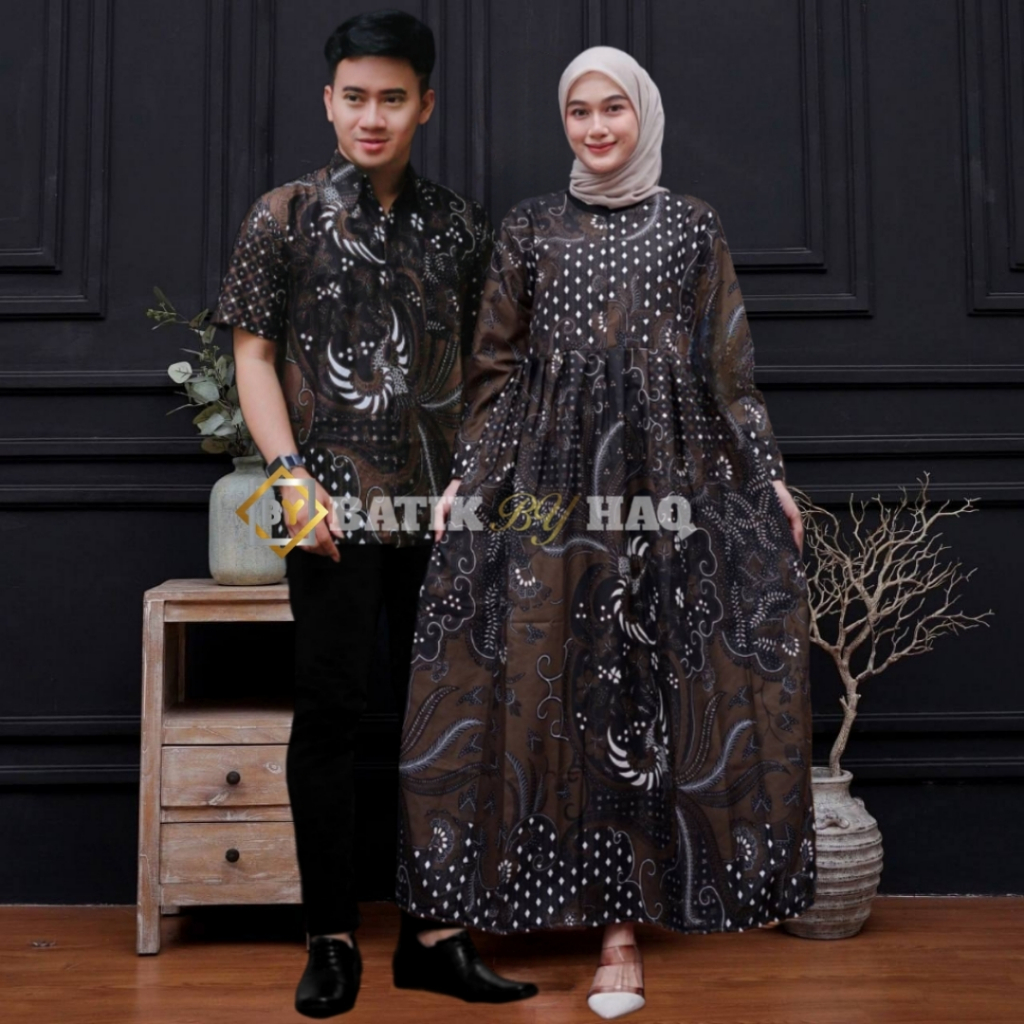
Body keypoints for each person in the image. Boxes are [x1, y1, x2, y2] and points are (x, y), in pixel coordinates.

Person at [394, 45, 816, 1020]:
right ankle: (542, 895)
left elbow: (728, 364)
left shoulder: (692, 224)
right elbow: (495, 366)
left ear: (643, 114)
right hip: (550, 480)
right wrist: (469, 476)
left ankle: (621, 937)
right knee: (556, 678)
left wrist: (767, 476)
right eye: (578, 110)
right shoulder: (530, 225)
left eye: (612, 108)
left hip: (669, 476)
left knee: (644, 687)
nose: (595, 126)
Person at [212, 10, 538, 1018]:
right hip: (324, 514)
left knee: (440, 723)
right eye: (355, 96)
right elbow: (252, 358)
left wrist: (471, 479)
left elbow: (493, 371)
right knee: (329, 718)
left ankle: (434, 939)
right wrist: (288, 481)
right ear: (329, 101)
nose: (372, 115)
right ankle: (332, 938)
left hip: (439, 517)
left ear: (424, 106)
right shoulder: (282, 216)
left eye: (392, 98)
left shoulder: (463, 227)